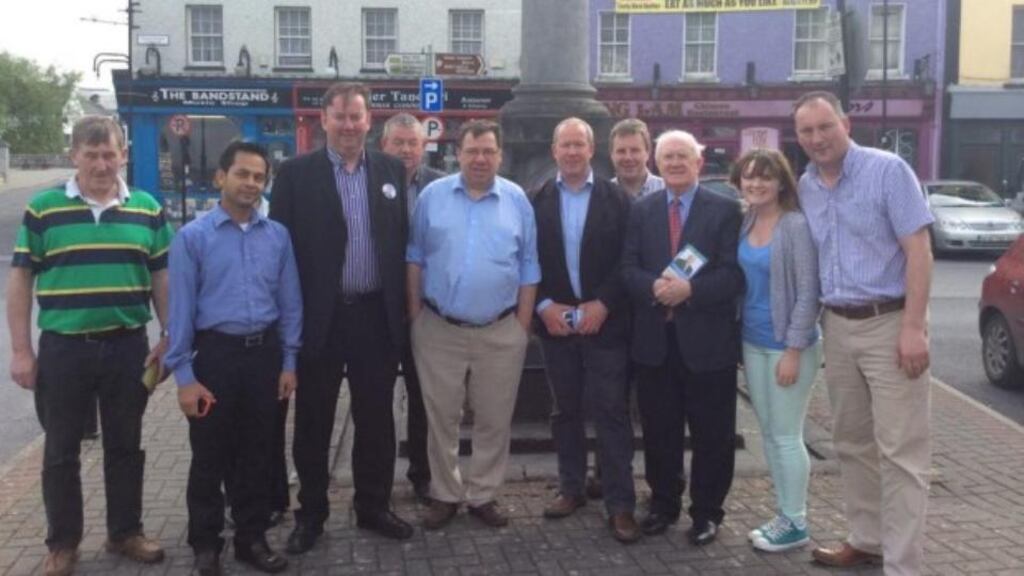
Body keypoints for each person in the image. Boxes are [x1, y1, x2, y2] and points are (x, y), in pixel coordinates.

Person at [7, 116, 170, 576]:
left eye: (109, 153)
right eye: (91, 154)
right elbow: (20, 279)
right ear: (73, 156)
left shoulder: (146, 208)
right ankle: (63, 543)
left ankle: (125, 533)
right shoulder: (44, 209)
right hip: (64, 349)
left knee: (126, 445)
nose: (101, 163)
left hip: (127, 347)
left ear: (123, 154)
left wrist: (170, 336)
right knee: (60, 450)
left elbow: (162, 276)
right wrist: (22, 350)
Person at [269, 82, 414, 552]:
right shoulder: (294, 175)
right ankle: (310, 514)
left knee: (377, 420)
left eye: (357, 117)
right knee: (314, 421)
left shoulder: (392, 170)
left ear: (369, 121)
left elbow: (401, 243)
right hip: (320, 319)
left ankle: (373, 506)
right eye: (341, 117)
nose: (349, 125)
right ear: (323, 121)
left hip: (375, 317)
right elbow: (281, 254)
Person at [794, 90, 933, 575]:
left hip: (890, 323)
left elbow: (919, 250)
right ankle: (868, 539)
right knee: (852, 442)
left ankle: (903, 565)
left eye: (824, 127)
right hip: (837, 326)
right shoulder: (807, 186)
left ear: (846, 124)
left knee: (901, 452)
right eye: (806, 131)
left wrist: (913, 327)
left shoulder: (887, 170)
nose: (817, 138)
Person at [165, 142, 302, 576]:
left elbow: (291, 302)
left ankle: (251, 539)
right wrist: (184, 376)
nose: (250, 183)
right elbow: (180, 312)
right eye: (242, 174)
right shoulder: (192, 238)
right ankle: (206, 544)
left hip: (264, 356)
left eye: (259, 177)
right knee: (209, 456)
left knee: (258, 454)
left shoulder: (277, 236)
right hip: (216, 357)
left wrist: (289, 362)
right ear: (221, 177)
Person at [407, 120, 539, 530]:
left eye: (488, 151)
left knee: (493, 418)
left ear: (499, 156)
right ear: (457, 154)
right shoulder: (432, 196)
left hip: (500, 331)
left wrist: (521, 326)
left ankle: (483, 494)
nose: (480, 158)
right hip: (438, 329)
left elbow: (529, 266)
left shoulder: (517, 200)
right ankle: (445, 493)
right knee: (440, 417)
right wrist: (415, 317)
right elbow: (414, 257)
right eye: (472, 151)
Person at [621, 130, 744, 546]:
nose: (674, 163)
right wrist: (653, 288)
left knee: (713, 434)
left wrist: (690, 290)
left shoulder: (726, 211)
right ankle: (663, 505)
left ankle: (707, 512)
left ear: (699, 160)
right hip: (655, 342)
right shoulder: (642, 210)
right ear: (656, 162)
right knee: (660, 431)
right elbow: (628, 267)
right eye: (667, 156)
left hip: (708, 342)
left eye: (682, 156)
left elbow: (733, 274)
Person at [532, 118, 639, 543]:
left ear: (591, 148)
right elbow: (525, 260)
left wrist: (605, 303)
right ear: (554, 150)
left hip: (606, 327)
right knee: (566, 412)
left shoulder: (617, 199)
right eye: (565, 145)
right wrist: (542, 305)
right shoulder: (536, 198)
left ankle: (620, 504)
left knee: (612, 414)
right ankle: (571, 488)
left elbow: (627, 259)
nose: (572, 152)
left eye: (579, 144)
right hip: (556, 326)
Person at [730, 149, 821, 552]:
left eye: (764, 177)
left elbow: (808, 293)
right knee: (769, 433)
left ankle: (796, 521)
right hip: (752, 341)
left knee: (786, 435)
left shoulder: (795, 225)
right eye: (748, 177)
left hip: (787, 346)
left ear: (782, 181)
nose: (755, 184)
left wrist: (793, 349)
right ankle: (784, 514)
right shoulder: (747, 219)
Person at [379, 113, 445, 503]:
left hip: (428, 308)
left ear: (424, 146)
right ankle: (378, 476)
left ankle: (422, 473)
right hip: (382, 309)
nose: (405, 150)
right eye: (398, 142)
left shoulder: (441, 186)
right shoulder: (370, 183)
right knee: (377, 397)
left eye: (412, 143)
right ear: (384, 145)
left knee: (425, 397)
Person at [610, 118, 665, 200]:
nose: (628, 157)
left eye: (635, 150)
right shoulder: (601, 195)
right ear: (612, 155)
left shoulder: (666, 191)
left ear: (648, 152)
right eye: (621, 151)